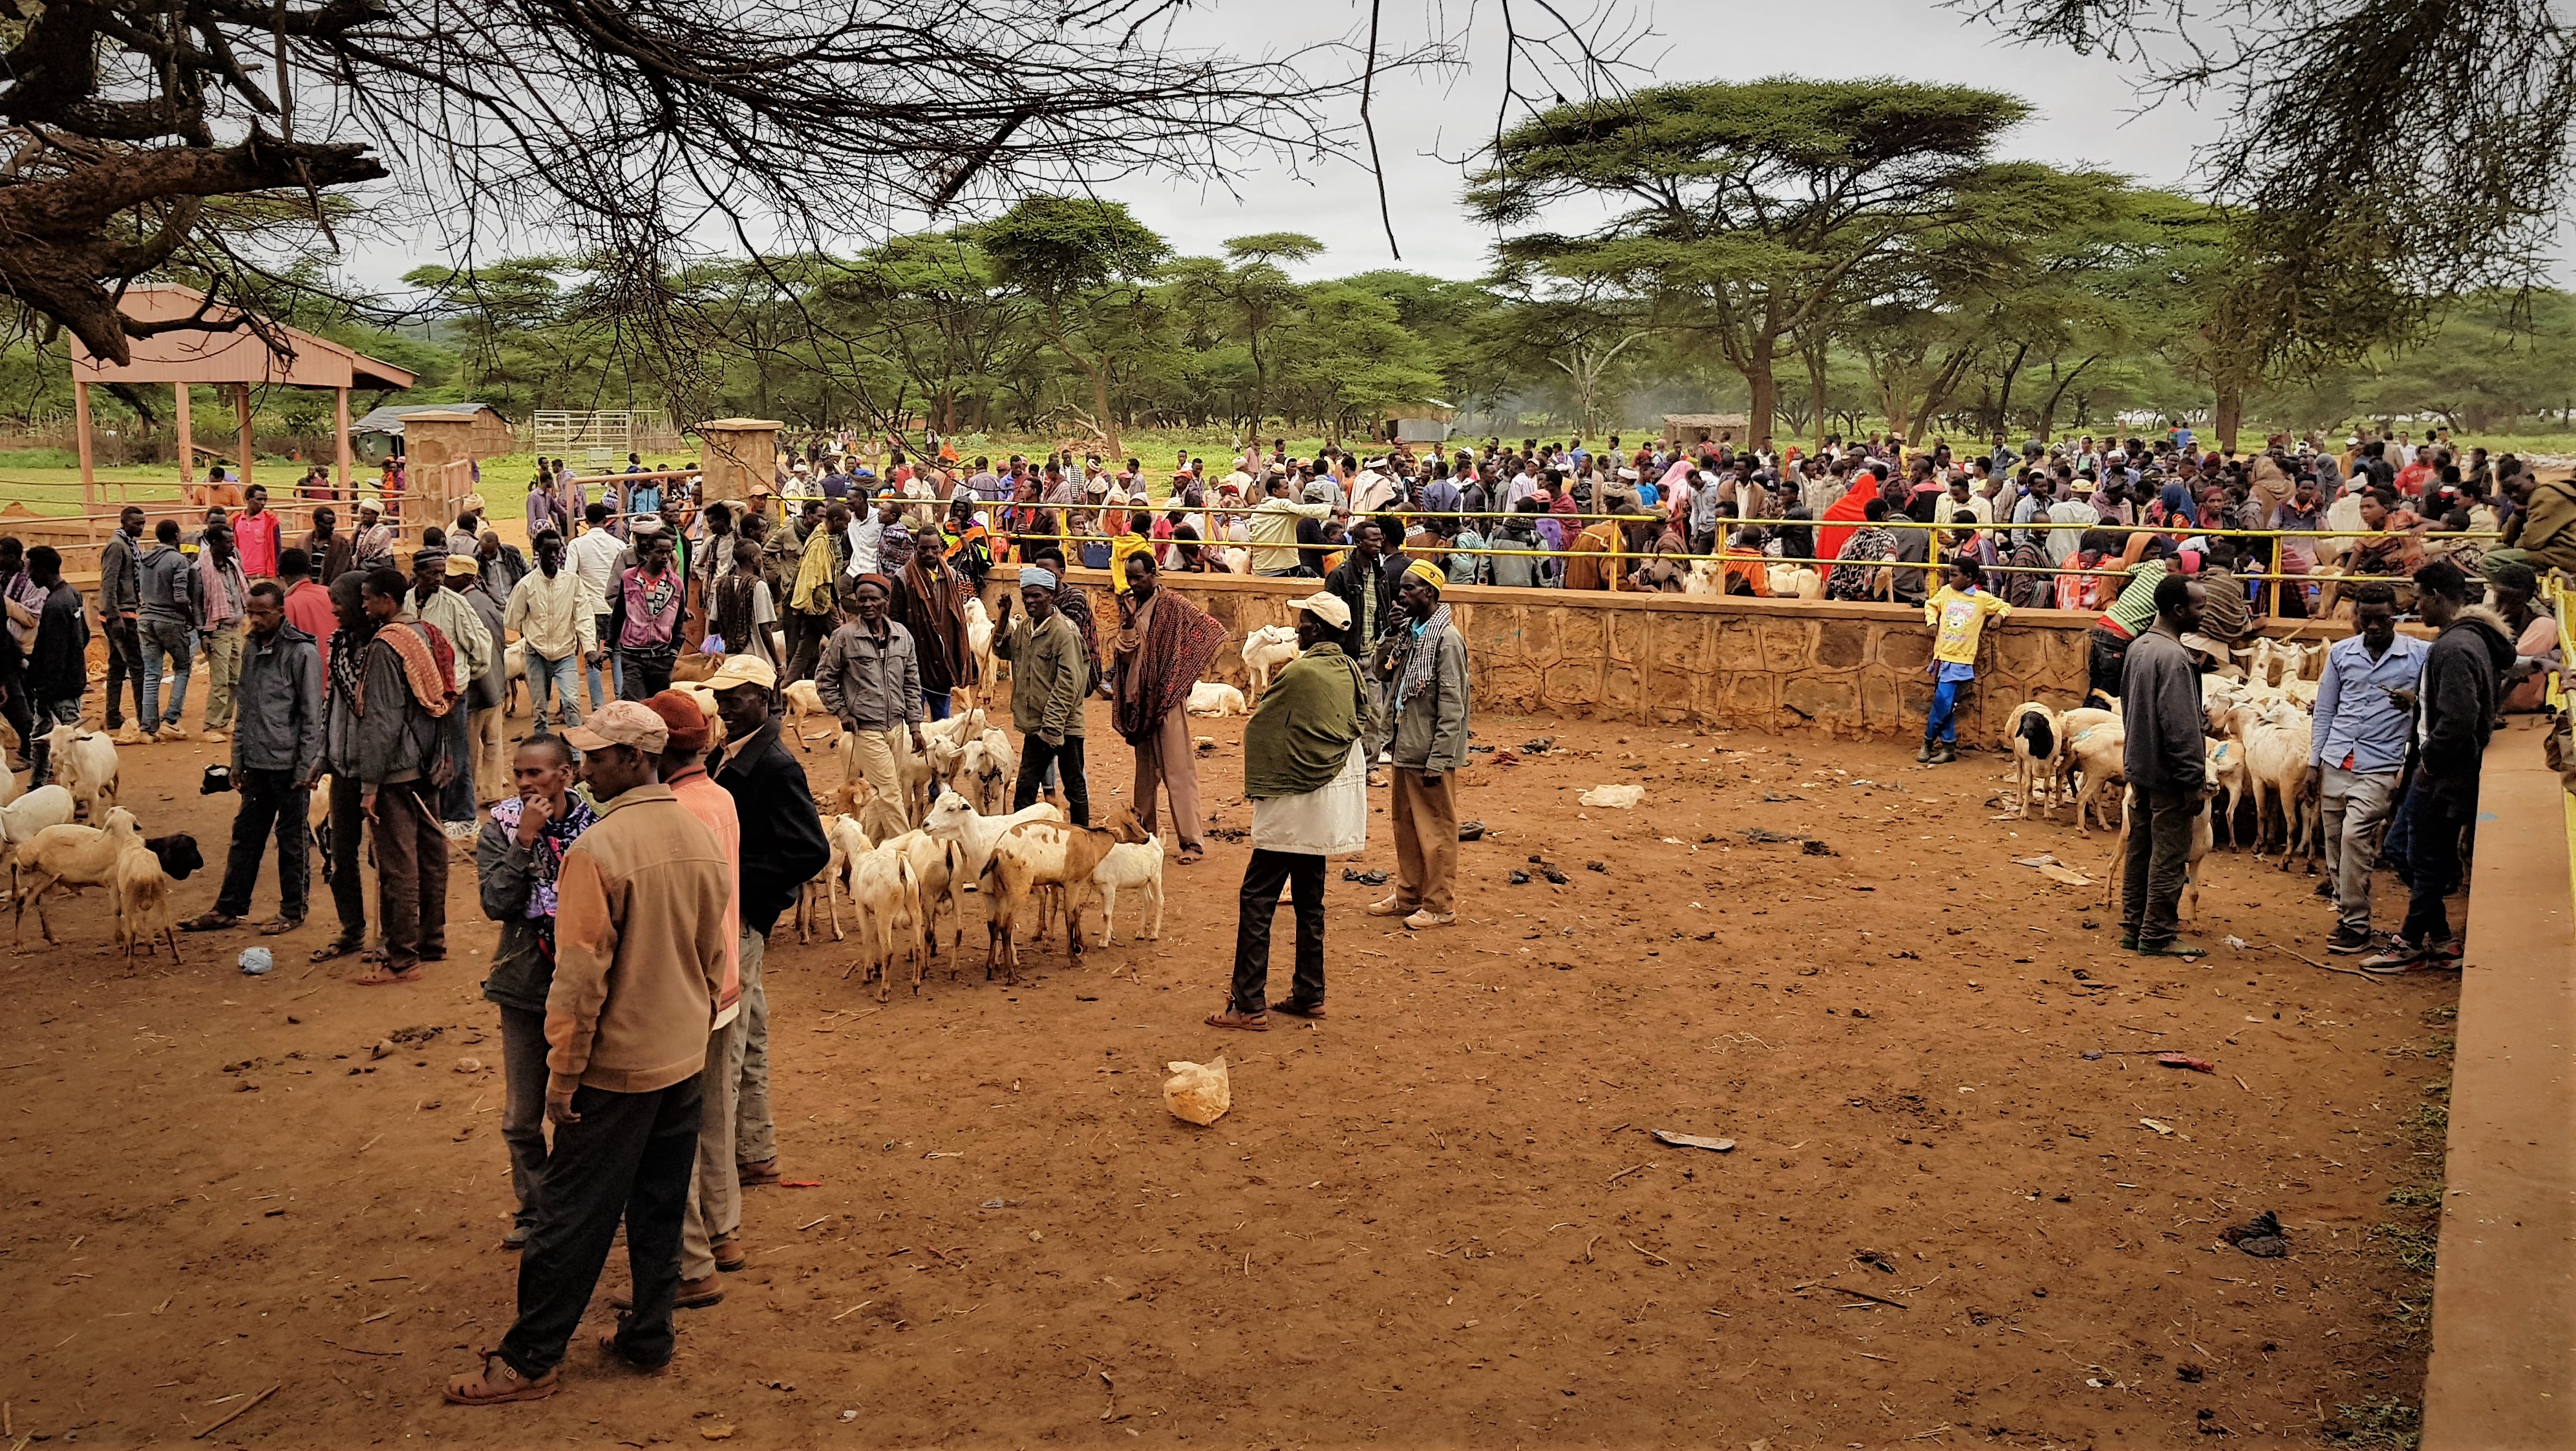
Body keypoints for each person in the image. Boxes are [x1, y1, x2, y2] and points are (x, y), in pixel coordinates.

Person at [442, 702, 731, 1405]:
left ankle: (529, 1359)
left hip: (617, 1066)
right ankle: (649, 1335)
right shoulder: (697, 835)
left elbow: (578, 978)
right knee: (659, 1206)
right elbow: (714, 955)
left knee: (568, 1214)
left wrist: (563, 1077)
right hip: (682, 1055)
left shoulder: (597, 850)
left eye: (598, 758)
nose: (587, 770)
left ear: (636, 760)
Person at [1206, 592, 1368, 1031]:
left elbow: (1263, 728)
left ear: (1318, 628)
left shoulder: (1299, 673)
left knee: (1257, 897)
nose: (1298, 627)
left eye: (1305, 620)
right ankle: (1308, 993)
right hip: (1329, 798)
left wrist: (1261, 779)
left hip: (1294, 797)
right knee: (1309, 899)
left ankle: (1247, 1004)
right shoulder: (1348, 669)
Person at [707, 654, 829, 1191]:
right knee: (750, 1037)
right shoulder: (731, 753)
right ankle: (755, 1152)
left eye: (734, 698)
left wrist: (747, 892)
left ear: (764, 698)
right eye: (720, 698)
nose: (724, 706)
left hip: (742, 917)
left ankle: (723, 1172)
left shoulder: (775, 765)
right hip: (743, 917)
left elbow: (809, 850)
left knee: (730, 1046)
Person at [641, 691, 745, 1310]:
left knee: (666, 1130)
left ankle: (692, 1264)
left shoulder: (671, 812)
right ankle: (725, 1233)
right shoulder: (721, 797)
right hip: (726, 978)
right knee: (715, 1116)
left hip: (685, 989)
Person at [474, 733, 597, 1251]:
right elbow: (497, 902)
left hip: (584, 977)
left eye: (536, 774)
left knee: (581, 1106)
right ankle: (535, 1207)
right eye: (520, 774)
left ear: (566, 774)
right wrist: (525, 841)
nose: (524, 784)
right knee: (522, 1115)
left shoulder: (596, 825)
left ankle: (579, 1208)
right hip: (524, 977)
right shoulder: (501, 827)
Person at [2363, 561, 2514, 973]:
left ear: (2436, 596)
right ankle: (2443, 939)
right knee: (2411, 850)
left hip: (2444, 770)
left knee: (2416, 854)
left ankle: (2410, 941)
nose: (2417, 608)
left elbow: (2460, 717)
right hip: (2447, 765)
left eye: (2419, 597)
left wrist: (2428, 764)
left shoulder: (2454, 647)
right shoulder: (2473, 640)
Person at [319, 566, 455, 982]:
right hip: (429, 762)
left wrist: (370, 784)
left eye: (367, 598)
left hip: (395, 770)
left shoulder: (383, 646)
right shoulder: (428, 634)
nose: (361, 605)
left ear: (387, 600)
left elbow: (380, 719)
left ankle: (402, 955)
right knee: (432, 855)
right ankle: (431, 940)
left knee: (398, 864)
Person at [180, 581, 321, 934]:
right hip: (256, 764)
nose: (255, 619)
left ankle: (292, 911)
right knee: (246, 837)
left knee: (292, 840)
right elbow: (244, 711)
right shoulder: (249, 649)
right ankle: (229, 908)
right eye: (251, 612)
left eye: (263, 613)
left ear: (280, 612)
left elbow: (311, 717)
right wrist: (237, 762)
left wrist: (306, 767)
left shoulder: (302, 653)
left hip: (290, 766)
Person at [2309, 582, 2427, 955]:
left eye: (2381, 619)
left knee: (2353, 837)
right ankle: (2348, 915)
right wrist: (2314, 763)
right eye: (2366, 619)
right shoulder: (2342, 654)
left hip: (2381, 765)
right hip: (2336, 758)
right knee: (2333, 845)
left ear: (2395, 614)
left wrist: (2416, 701)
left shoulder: (2420, 655)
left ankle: (2357, 924)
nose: (2373, 627)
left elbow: (2441, 695)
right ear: (2356, 616)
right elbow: (2326, 710)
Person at [1369, 561, 1471, 929]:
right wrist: (1389, 634)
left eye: (1409, 589)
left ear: (1429, 593)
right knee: (1407, 826)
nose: (1401, 595)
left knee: (1437, 829)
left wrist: (1439, 758)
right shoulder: (1410, 634)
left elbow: (1452, 705)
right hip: (1404, 746)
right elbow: (1381, 671)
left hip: (1429, 753)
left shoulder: (1446, 640)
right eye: (1401, 589)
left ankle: (1440, 904)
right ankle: (1409, 894)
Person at [1111, 553, 1227, 864]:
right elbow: (1124, 654)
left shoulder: (1175, 606)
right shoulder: (1130, 609)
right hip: (1139, 700)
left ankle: (1192, 842)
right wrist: (1128, 622)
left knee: (1178, 771)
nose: (1133, 584)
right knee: (1144, 776)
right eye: (1129, 578)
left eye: (1139, 577)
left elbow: (1211, 633)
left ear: (1154, 574)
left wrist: (1184, 675)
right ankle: (1143, 837)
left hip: (1168, 700)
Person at [2117, 575, 2211, 958]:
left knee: (2140, 847)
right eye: (2200, 607)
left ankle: (2133, 925)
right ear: (2179, 610)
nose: (2204, 614)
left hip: (2140, 767)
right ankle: (2157, 934)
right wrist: (2193, 778)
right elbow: (2180, 725)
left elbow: (2129, 709)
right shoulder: (2174, 658)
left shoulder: (2139, 647)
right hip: (2169, 774)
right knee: (2171, 854)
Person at [814, 574, 924, 838]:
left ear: (886, 601)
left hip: (896, 728)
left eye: (873, 599)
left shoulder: (902, 636)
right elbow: (824, 678)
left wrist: (916, 726)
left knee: (880, 791)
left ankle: (870, 849)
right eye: (861, 599)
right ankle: (907, 850)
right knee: (890, 792)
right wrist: (841, 711)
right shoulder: (844, 637)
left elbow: (911, 682)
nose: (867, 604)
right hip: (866, 729)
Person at [994, 563, 1091, 825]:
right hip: (1035, 724)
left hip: (1064, 725)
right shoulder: (1025, 628)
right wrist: (1003, 617)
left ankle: (1083, 842)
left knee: (1074, 787)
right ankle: (1021, 843)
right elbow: (1003, 651)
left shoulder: (1064, 632)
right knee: (1025, 790)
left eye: (1036, 595)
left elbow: (1069, 684)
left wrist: (1052, 727)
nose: (1029, 601)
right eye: (1026, 596)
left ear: (1051, 596)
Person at [409, 550, 495, 837]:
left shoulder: (455, 604)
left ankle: (463, 816)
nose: (438, 578)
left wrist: (462, 678)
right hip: (418, 695)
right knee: (424, 756)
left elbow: (480, 646)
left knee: (456, 754)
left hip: (451, 695)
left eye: (441, 572)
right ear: (417, 573)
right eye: (432, 573)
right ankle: (434, 813)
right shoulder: (408, 602)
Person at [507, 528, 599, 735]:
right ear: (537, 550)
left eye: (556, 550)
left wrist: (590, 648)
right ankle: (543, 753)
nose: (552, 556)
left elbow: (583, 616)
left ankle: (575, 757)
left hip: (565, 653)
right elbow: (513, 619)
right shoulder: (527, 585)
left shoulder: (572, 583)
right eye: (547, 550)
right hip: (536, 655)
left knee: (572, 704)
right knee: (540, 710)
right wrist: (531, 633)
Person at [1921, 559, 2009, 765]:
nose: (1950, 579)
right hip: (1942, 657)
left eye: (1954, 575)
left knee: (1944, 703)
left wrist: (1998, 617)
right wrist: (1932, 622)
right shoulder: (1945, 593)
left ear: (1969, 578)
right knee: (1946, 704)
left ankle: (1928, 741)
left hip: (1962, 661)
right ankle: (1948, 746)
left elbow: (2005, 606)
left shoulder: (1981, 599)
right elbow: (1930, 605)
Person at [884, 537, 973, 718]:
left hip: (942, 653)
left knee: (942, 713)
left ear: (941, 548)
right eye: (924, 549)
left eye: (934, 549)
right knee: (913, 709)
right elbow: (894, 620)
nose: (929, 554)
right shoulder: (903, 577)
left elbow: (955, 615)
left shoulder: (950, 575)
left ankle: (940, 745)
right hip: (915, 652)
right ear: (916, 548)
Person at [22, 547, 87, 787]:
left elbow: (55, 655)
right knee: (40, 739)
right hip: (69, 682)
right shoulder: (71, 594)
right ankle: (37, 786)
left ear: (42, 570)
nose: (28, 574)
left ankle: (77, 790)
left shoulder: (56, 606)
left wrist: (46, 693)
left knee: (70, 745)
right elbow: (83, 637)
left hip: (59, 690)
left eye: (30, 568)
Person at [455, 555, 512, 806]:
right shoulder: (484, 601)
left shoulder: (464, 606)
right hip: (496, 682)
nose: (445, 579)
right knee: (493, 742)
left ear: (465, 578)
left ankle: (467, 798)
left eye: (450, 575)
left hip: (477, 686)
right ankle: (492, 792)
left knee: (469, 748)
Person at [134, 519, 197, 742]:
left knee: (151, 673)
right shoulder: (178, 560)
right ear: (177, 535)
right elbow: (180, 597)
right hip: (170, 620)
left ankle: (147, 727)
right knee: (182, 667)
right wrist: (191, 618)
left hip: (146, 619)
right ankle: (171, 720)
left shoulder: (145, 558)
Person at [606, 522, 684, 701]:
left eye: (668, 552)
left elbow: (678, 621)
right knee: (636, 704)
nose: (665, 557)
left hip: (662, 657)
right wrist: (610, 645)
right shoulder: (630, 578)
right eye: (660, 552)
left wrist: (673, 652)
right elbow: (618, 614)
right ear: (649, 552)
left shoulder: (675, 584)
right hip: (633, 656)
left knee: (659, 705)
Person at [567, 501, 628, 705]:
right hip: (615, 607)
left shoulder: (576, 545)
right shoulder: (619, 545)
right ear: (606, 520)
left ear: (586, 520)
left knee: (591, 657)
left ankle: (598, 706)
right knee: (618, 654)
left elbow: (569, 576)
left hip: (589, 610)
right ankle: (621, 702)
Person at [195, 522, 250, 742]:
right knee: (220, 680)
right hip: (217, 630)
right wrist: (203, 634)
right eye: (227, 541)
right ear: (214, 543)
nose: (232, 545)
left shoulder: (233, 566)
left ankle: (225, 721)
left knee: (236, 678)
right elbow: (197, 604)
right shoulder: (200, 570)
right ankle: (211, 725)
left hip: (235, 628)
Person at [98, 505, 147, 743]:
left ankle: (113, 714)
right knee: (137, 666)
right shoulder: (117, 547)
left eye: (143, 523)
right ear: (124, 522)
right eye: (136, 523)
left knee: (117, 666)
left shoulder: (128, 544)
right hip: (121, 615)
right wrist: (114, 616)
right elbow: (108, 583)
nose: (141, 527)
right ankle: (144, 717)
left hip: (124, 611)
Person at [235, 484, 283, 581]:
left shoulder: (270, 521)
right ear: (247, 499)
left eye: (265, 500)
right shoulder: (237, 521)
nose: (263, 503)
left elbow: (277, 548)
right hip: (241, 576)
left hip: (263, 576)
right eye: (259, 499)